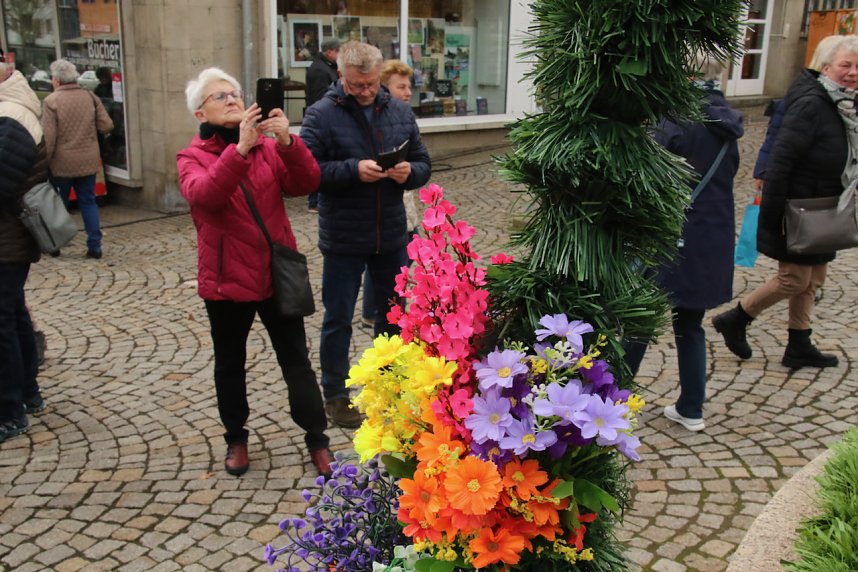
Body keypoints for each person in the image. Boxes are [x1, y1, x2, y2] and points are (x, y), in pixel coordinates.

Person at [177, 67, 332, 477]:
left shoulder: (267, 147)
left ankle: (317, 439)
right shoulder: (191, 157)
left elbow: (307, 182)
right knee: (229, 364)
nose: (231, 99)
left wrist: (287, 141)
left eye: (235, 93)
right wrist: (240, 150)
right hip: (226, 279)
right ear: (200, 114)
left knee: (296, 361)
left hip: (276, 273)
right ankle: (236, 439)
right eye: (219, 96)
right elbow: (206, 196)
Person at [300, 42, 431, 428]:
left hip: (390, 234)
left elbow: (424, 162)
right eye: (358, 85)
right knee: (338, 318)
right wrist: (353, 170)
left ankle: (386, 387)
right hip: (343, 235)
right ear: (341, 76)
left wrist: (411, 173)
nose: (366, 92)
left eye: (372, 84)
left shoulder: (398, 110)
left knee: (392, 317)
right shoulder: (321, 115)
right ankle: (336, 394)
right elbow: (308, 172)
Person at [712, 34, 858, 370]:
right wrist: (773, 216)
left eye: (857, 66)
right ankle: (736, 318)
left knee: (814, 278)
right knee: (794, 279)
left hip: (826, 207)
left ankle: (799, 343)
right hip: (798, 208)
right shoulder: (812, 104)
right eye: (845, 65)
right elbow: (781, 161)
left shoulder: (843, 103)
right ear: (826, 67)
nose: (852, 72)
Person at [624, 54, 743, 432]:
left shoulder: (674, 118)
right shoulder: (728, 121)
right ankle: (692, 408)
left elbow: (647, 178)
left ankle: (613, 405)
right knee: (690, 324)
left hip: (669, 233)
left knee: (639, 321)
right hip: (710, 235)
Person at [0, 56, 47, 443]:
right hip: (8, 236)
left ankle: (10, 408)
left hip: (8, 238)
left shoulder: (12, 112)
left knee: (4, 323)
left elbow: (4, 177)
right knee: (12, 315)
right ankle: (27, 394)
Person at [360, 59, 418, 327]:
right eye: (401, 86)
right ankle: (374, 310)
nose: (407, 92)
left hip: (404, 208)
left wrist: (412, 170)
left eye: (409, 86)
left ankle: (377, 310)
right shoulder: (376, 120)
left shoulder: (404, 117)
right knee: (387, 265)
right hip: (383, 210)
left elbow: (420, 162)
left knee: (399, 260)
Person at [41, 59, 113, 259]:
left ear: (56, 80)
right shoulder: (89, 97)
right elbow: (106, 125)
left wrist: (44, 162)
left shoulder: (51, 102)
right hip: (88, 159)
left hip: (61, 163)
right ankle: (95, 246)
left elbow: (49, 137)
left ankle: (56, 244)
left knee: (59, 204)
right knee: (88, 202)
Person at [305, 39, 340, 213]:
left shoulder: (327, 67)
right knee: (318, 160)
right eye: (338, 52)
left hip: (327, 119)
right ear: (330, 52)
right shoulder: (319, 69)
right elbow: (320, 96)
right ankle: (314, 201)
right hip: (321, 121)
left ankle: (318, 199)